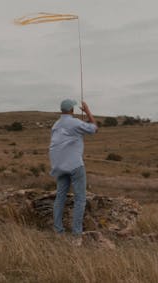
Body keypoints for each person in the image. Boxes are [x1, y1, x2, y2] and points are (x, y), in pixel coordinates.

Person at [49, 99, 97, 238]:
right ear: (71, 110)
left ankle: (58, 231)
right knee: (80, 199)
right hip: (75, 165)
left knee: (60, 197)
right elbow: (94, 128)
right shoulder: (74, 122)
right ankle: (77, 234)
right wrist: (87, 111)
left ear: (61, 110)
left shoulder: (55, 125)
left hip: (59, 165)